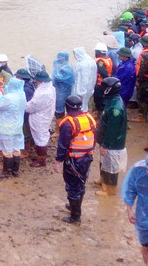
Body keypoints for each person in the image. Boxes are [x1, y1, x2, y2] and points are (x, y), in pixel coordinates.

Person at [53, 95, 96, 224]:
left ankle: (75, 216)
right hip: (87, 157)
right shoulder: (90, 118)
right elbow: (95, 137)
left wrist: (58, 161)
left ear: (67, 107)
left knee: (72, 187)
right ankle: (74, 206)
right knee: (81, 182)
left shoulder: (68, 123)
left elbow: (63, 145)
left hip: (73, 160)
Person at [95, 77, 127, 197]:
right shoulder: (112, 101)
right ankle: (103, 180)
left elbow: (112, 130)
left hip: (112, 144)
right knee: (104, 162)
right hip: (105, 140)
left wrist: (106, 145)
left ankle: (110, 189)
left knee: (111, 166)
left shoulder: (115, 109)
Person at [0, 77, 27, 178]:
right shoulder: (22, 95)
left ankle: (7, 171)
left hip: (6, 128)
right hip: (17, 126)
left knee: (7, 150)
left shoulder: (9, 98)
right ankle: (15, 170)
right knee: (16, 148)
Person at [25, 70, 56, 167]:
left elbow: (33, 106)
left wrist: (24, 106)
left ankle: (41, 160)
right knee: (43, 135)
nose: (36, 82)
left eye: (37, 80)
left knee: (40, 138)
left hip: (40, 117)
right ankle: (40, 156)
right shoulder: (51, 88)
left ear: (41, 81)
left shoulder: (42, 93)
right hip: (46, 115)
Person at [52, 51, 76, 118]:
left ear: (65, 57)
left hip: (64, 90)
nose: (58, 58)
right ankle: (60, 120)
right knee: (58, 106)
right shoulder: (57, 63)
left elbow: (61, 78)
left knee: (62, 106)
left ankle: (61, 121)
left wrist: (56, 75)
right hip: (58, 89)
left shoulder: (68, 67)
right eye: (58, 56)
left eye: (60, 56)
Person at [72, 47, 95, 113]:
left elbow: (84, 79)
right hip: (89, 88)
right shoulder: (90, 60)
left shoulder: (83, 64)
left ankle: (82, 120)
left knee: (81, 107)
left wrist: (81, 93)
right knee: (85, 105)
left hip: (83, 91)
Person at [93, 42, 113, 113]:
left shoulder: (100, 61)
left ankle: (100, 114)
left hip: (100, 84)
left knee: (98, 100)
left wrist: (107, 81)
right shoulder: (108, 60)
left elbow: (103, 72)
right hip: (106, 83)